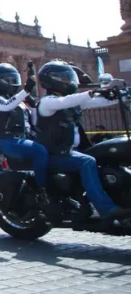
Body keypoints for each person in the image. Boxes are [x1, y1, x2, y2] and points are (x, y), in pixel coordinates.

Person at [35, 60, 131, 221]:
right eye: (64, 78)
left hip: (72, 151)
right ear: (52, 80)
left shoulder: (73, 101)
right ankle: (105, 209)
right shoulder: (48, 102)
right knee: (87, 162)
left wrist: (122, 94)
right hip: (56, 153)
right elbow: (66, 102)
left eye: (69, 77)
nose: (70, 81)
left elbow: (102, 102)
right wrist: (92, 92)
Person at [0, 63, 53, 211]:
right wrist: (25, 91)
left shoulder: (21, 103)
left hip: (25, 138)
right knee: (39, 151)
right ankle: (44, 190)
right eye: (8, 78)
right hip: (9, 140)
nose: (12, 81)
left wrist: (34, 105)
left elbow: (34, 121)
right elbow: (7, 106)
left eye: (13, 78)